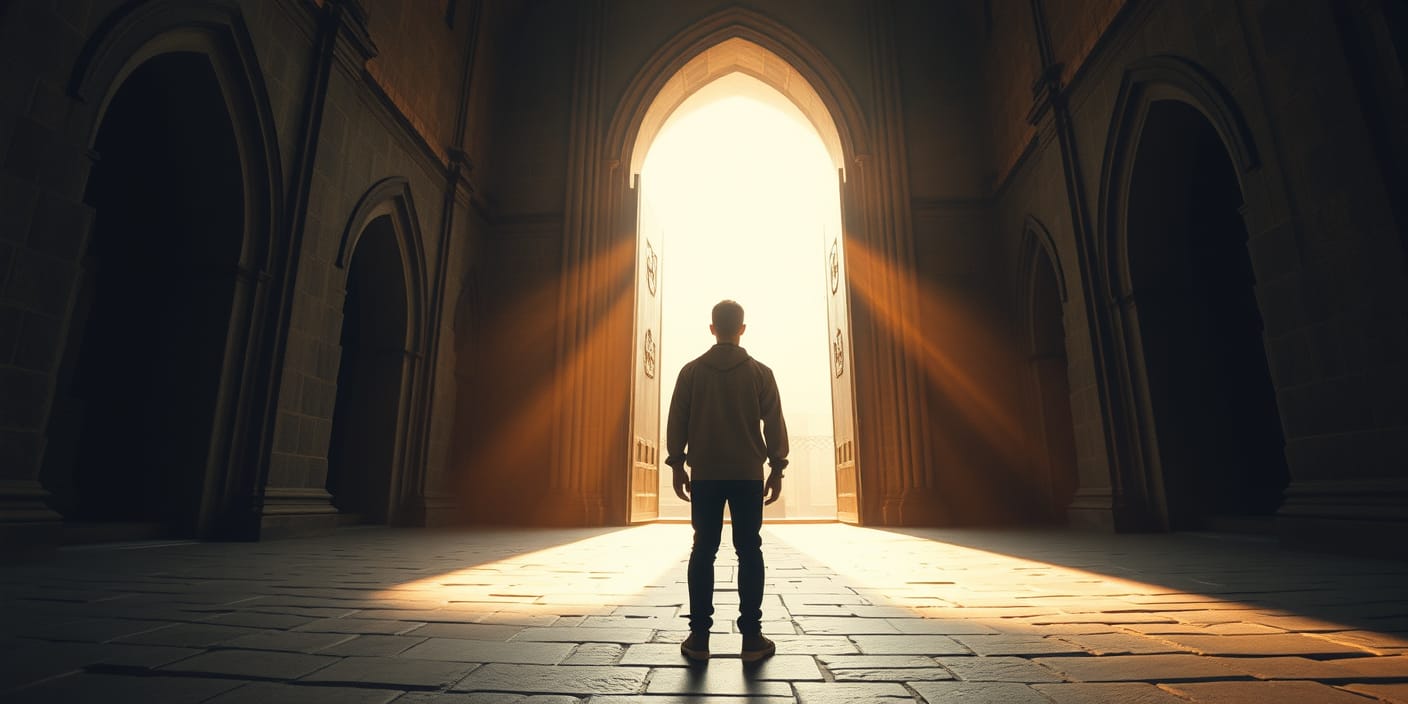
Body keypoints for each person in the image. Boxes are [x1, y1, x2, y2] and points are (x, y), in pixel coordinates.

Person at [666, 299, 789, 663]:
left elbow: (677, 421)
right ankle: (751, 638)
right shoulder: (760, 373)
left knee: (703, 549)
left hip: (705, 474)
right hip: (747, 474)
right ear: (742, 329)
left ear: (712, 328)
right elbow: (774, 423)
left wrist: (677, 464)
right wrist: (777, 467)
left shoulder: (691, 372)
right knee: (749, 550)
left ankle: (699, 638)